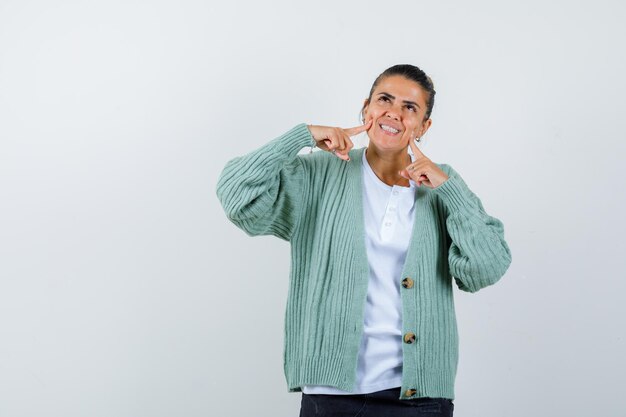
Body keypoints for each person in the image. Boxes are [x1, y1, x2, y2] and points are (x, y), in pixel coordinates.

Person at [216, 64, 512, 417]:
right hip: (332, 394)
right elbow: (236, 195)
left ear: (424, 126)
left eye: (409, 107)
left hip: (419, 399)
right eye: (384, 99)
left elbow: (487, 268)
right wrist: (302, 136)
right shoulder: (319, 174)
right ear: (366, 108)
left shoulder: (440, 187)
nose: (394, 113)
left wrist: (450, 189)